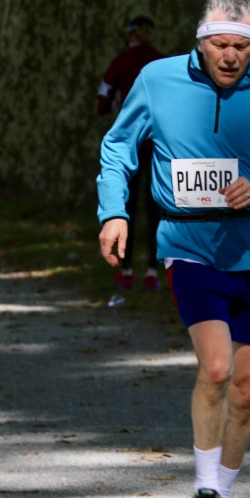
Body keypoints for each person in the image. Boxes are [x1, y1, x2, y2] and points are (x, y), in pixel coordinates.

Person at [97, 0, 250, 498]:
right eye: (220, 45)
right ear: (201, 41)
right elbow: (118, 148)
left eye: (241, 47)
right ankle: (202, 493)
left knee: (247, 387)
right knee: (216, 369)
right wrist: (114, 212)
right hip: (190, 245)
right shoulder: (158, 80)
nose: (230, 56)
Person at [97, 16, 165, 293]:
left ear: (130, 36)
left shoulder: (120, 63)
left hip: (130, 145)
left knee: (126, 208)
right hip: (159, 145)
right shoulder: (162, 63)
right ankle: (152, 272)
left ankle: (126, 271)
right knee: (156, 208)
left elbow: (102, 102)